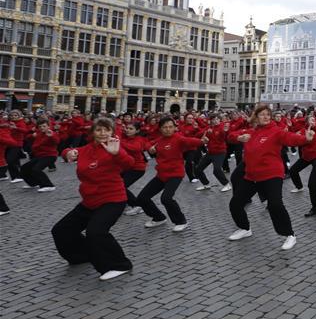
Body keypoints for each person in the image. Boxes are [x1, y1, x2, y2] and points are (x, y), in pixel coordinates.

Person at [52, 118, 136, 281]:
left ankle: (120, 265)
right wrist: (68, 152)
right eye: (99, 130)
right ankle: (81, 256)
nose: (103, 133)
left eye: (106, 130)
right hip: (89, 201)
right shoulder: (86, 149)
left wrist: (117, 153)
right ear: (93, 133)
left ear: (112, 132)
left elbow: (130, 164)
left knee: (96, 232)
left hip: (112, 199)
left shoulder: (115, 147)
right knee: (61, 230)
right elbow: (68, 151)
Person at [226, 104, 314, 250]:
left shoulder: (276, 131)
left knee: (275, 205)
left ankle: (290, 235)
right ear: (256, 117)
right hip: (252, 176)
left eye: (268, 114)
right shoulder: (251, 132)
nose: (266, 117)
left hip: (271, 174)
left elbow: (291, 138)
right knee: (235, 203)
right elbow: (230, 136)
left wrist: (306, 138)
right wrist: (240, 137)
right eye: (262, 114)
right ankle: (244, 228)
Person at [134, 116, 208, 231]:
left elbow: (191, 141)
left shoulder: (178, 138)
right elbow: (146, 143)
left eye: (170, 127)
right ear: (161, 129)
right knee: (142, 198)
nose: (168, 129)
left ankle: (181, 221)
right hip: (161, 175)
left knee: (166, 198)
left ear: (174, 128)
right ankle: (159, 217)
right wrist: (150, 148)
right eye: (165, 127)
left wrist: (202, 141)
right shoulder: (159, 140)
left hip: (175, 174)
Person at [195, 114, 231, 192]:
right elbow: (198, 135)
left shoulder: (222, 127)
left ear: (219, 120)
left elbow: (224, 135)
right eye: (214, 119)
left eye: (217, 119)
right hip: (210, 152)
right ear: (211, 121)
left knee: (217, 170)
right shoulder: (209, 128)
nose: (215, 121)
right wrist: (204, 134)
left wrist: (225, 131)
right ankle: (206, 184)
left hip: (220, 152)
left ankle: (227, 184)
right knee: (198, 169)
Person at [21, 119, 59, 192]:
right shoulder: (38, 133)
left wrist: (51, 136)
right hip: (39, 156)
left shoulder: (51, 133)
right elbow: (27, 137)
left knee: (36, 169)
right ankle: (33, 183)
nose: (42, 128)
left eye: (44, 126)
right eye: (40, 126)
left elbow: (57, 141)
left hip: (50, 156)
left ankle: (49, 185)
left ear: (48, 126)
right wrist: (32, 134)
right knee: (24, 168)